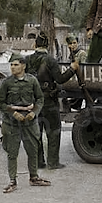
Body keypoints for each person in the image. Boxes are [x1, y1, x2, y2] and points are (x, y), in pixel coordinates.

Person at [0, 52, 51, 193]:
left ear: (23, 66)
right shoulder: (7, 83)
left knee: (33, 150)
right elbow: (0, 103)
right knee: (12, 153)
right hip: (12, 124)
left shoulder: (32, 81)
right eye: (11, 65)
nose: (13, 68)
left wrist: (34, 113)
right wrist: (13, 113)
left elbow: (39, 99)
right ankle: (12, 181)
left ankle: (34, 177)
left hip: (29, 122)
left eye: (16, 65)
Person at [26, 31, 79, 170]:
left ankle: (38, 162)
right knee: (53, 130)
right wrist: (72, 69)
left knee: (36, 131)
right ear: (47, 46)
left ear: (35, 45)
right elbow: (60, 79)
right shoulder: (50, 60)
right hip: (48, 100)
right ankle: (53, 162)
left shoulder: (26, 60)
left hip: (33, 101)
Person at [66, 33, 87, 111]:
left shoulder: (82, 53)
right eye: (70, 43)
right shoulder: (71, 54)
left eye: (74, 43)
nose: (73, 45)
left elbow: (84, 66)